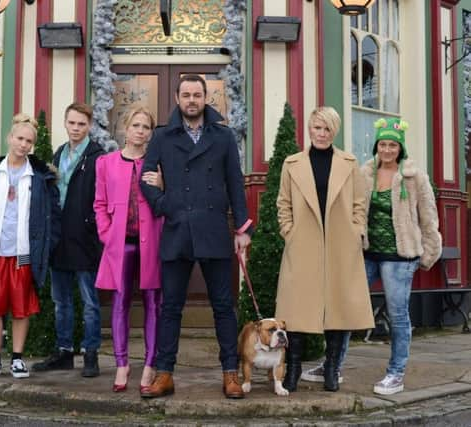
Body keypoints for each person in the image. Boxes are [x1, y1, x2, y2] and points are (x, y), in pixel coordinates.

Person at [302, 117, 442, 396]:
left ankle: (395, 373)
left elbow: (428, 217)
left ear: (400, 148)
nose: (387, 149)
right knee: (344, 309)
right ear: (376, 146)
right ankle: (333, 366)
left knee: (398, 315)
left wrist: (428, 252)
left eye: (392, 145)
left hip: (399, 258)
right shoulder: (363, 172)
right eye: (383, 144)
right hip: (364, 253)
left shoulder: (416, 176)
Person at [139, 74, 252, 399]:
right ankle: (164, 374)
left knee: (223, 306)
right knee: (171, 308)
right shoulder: (162, 137)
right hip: (177, 230)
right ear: (177, 98)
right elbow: (146, 180)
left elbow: (235, 183)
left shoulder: (223, 136)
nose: (191, 100)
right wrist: (165, 204)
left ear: (206, 98)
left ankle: (230, 373)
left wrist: (242, 229)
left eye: (197, 95)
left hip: (214, 229)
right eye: (186, 94)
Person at [275, 106, 375, 393]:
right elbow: (283, 203)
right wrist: (289, 232)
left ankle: (332, 368)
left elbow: (359, 202)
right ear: (309, 129)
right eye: (317, 127)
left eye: (327, 128)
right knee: (296, 308)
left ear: (334, 131)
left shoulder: (349, 162)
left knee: (337, 306)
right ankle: (293, 368)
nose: (321, 133)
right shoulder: (292, 163)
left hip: (341, 243)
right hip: (302, 242)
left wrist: (357, 231)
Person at [0, 113, 61, 379]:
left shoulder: (40, 176)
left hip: (23, 254)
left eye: (29, 141)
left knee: (21, 307)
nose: (24, 144)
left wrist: (46, 248)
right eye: (19, 138)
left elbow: (54, 215)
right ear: (9, 138)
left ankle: (17, 357)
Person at [32, 103, 105, 377]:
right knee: (61, 300)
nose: (76, 129)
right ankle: (64, 352)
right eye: (72, 123)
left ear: (89, 126)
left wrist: (94, 228)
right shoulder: (58, 153)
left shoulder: (97, 157)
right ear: (65, 123)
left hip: (85, 239)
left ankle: (90, 353)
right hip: (59, 238)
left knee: (90, 301)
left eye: (81, 124)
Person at [94, 106, 163, 393]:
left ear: (150, 132)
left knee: (153, 304)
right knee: (120, 302)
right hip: (120, 246)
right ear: (125, 127)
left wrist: (162, 183)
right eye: (135, 125)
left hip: (153, 244)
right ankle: (122, 363)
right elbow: (99, 204)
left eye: (146, 127)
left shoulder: (158, 163)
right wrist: (107, 234)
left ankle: (149, 364)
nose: (140, 131)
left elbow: (169, 199)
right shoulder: (106, 163)